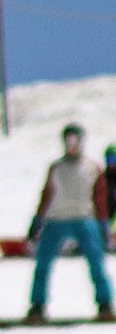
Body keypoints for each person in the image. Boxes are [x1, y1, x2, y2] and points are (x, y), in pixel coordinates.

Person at [25, 123, 114, 323]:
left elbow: (100, 199)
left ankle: (105, 305)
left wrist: (103, 226)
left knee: (96, 262)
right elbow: (46, 196)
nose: (72, 145)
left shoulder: (91, 168)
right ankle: (37, 306)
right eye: (68, 141)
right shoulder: (56, 168)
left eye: (75, 141)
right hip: (55, 220)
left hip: (84, 220)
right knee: (43, 263)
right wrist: (37, 222)